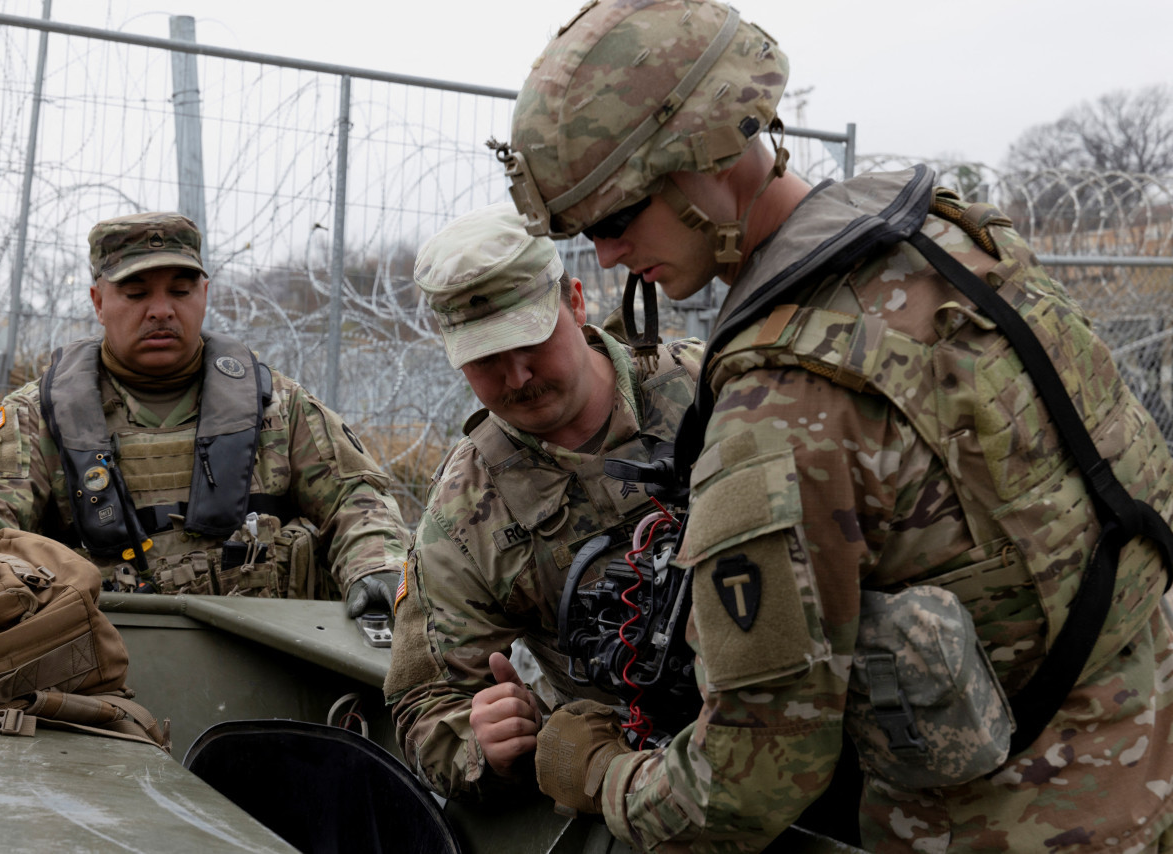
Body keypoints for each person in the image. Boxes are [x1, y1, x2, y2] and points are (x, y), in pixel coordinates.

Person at [499, 0, 1173, 850]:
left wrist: (590, 768)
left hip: (1001, 824)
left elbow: (741, 788)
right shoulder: (945, 238)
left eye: (614, 218)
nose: (602, 256)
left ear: (700, 155)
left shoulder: (782, 400)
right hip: (1143, 740)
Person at [383, 202, 703, 799]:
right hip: (641, 776)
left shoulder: (702, 385)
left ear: (576, 303)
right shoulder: (464, 516)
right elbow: (422, 702)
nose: (519, 375)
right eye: (486, 359)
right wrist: (482, 740)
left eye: (532, 339)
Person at [0, 211, 406, 614]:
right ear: (98, 302)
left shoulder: (277, 406)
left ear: (205, 295)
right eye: (136, 293)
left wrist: (374, 565)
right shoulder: (36, 417)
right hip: (94, 668)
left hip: (266, 655)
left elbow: (357, 500)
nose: (161, 310)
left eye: (181, 291)